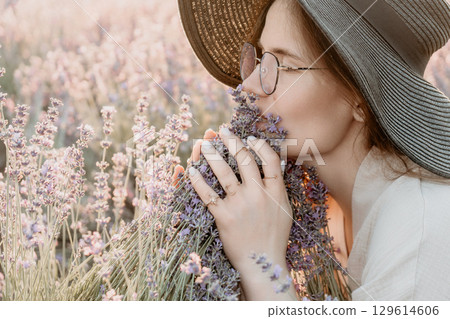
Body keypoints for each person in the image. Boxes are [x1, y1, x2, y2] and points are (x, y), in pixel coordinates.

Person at [176, 0, 450, 300]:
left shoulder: (421, 238)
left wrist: (260, 265)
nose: (249, 85)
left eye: (282, 64)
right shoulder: (315, 207)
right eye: (259, 58)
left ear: (360, 97)